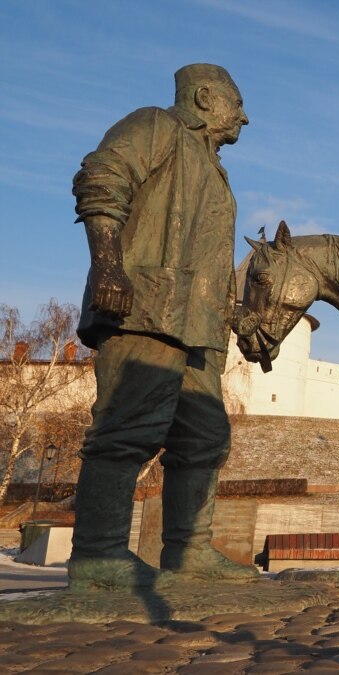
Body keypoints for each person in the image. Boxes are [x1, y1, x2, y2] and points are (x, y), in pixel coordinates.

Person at [68, 64, 256, 590]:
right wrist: (107, 263)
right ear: (204, 97)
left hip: (198, 328)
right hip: (147, 309)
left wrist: (231, 315)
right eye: (235, 102)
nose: (244, 116)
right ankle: (98, 556)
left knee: (204, 435)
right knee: (128, 427)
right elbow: (102, 177)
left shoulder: (212, 167)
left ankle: (189, 552)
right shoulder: (155, 125)